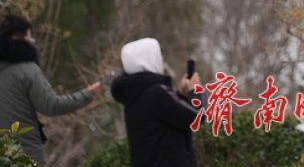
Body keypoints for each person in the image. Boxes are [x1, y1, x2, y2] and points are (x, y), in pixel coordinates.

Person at [0, 14, 103, 165]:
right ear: (17, 37)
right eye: (30, 37)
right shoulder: (28, 71)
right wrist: (87, 94)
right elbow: (51, 105)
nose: (32, 42)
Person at [111, 38, 201, 167]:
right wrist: (195, 91)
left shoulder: (134, 94)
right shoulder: (157, 93)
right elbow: (196, 117)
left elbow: (168, 119)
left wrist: (182, 95)